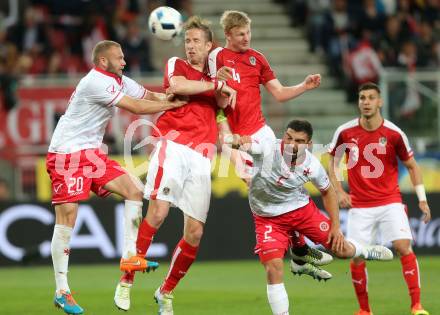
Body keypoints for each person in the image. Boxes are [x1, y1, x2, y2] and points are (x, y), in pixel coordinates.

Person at [46, 40, 186, 315]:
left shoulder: (118, 79)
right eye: (119, 58)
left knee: (135, 189)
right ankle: (62, 291)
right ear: (103, 62)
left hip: (91, 153)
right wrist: (171, 106)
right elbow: (135, 106)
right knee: (67, 220)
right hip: (67, 154)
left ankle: (129, 256)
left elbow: (146, 94)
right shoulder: (96, 81)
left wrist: (173, 99)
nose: (124, 61)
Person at [117, 16, 236, 314]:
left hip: (202, 155)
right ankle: (127, 278)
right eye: (188, 41)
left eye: (197, 41)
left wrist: (221, 83)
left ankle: (165, 291)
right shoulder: (176, 64)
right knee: (158, 211)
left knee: (194, 232)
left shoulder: (213, 75)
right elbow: (180, 85)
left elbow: (226, 102)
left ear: (209, 46)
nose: (191, 46)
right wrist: (216, 83)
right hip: (173, 144)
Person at [210, 10, 330, 277]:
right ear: (228, 34)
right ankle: (298, 251)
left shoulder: (257, 58)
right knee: (258, 185)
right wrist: (223, 130)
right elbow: (210, 94)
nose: (246, 38)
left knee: (281, 182)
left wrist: (304, 86)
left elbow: (278, 92)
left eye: (248, 32)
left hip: (261, 134)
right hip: (232, 138)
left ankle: (298, 252)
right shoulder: (216, 57)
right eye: (240, 34)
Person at [233, 119, 393, 315]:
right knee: (273, 268)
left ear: (308, 144)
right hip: (268, 217)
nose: (292, 144)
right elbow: (241, 143)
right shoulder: (267, 149)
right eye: (289, 138)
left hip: (301, 211)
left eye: (299, 141)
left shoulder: (312, 165)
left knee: (341, 251)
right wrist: (237, 141)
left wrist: (336, 227)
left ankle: (365, 251)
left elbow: (328, 192)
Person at [328, 82, 431, 315]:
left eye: (371, 98)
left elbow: (413, 166)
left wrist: (422, 199)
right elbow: (332, 163)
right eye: (362, 98)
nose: (365, 102)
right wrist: (339, 191)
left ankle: (416, 306)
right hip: (359, 207)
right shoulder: (345, 131)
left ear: (380, 102)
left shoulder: (394, 133)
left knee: (404, 247)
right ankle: (364, 310)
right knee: (355, 258)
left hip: (390, 202)